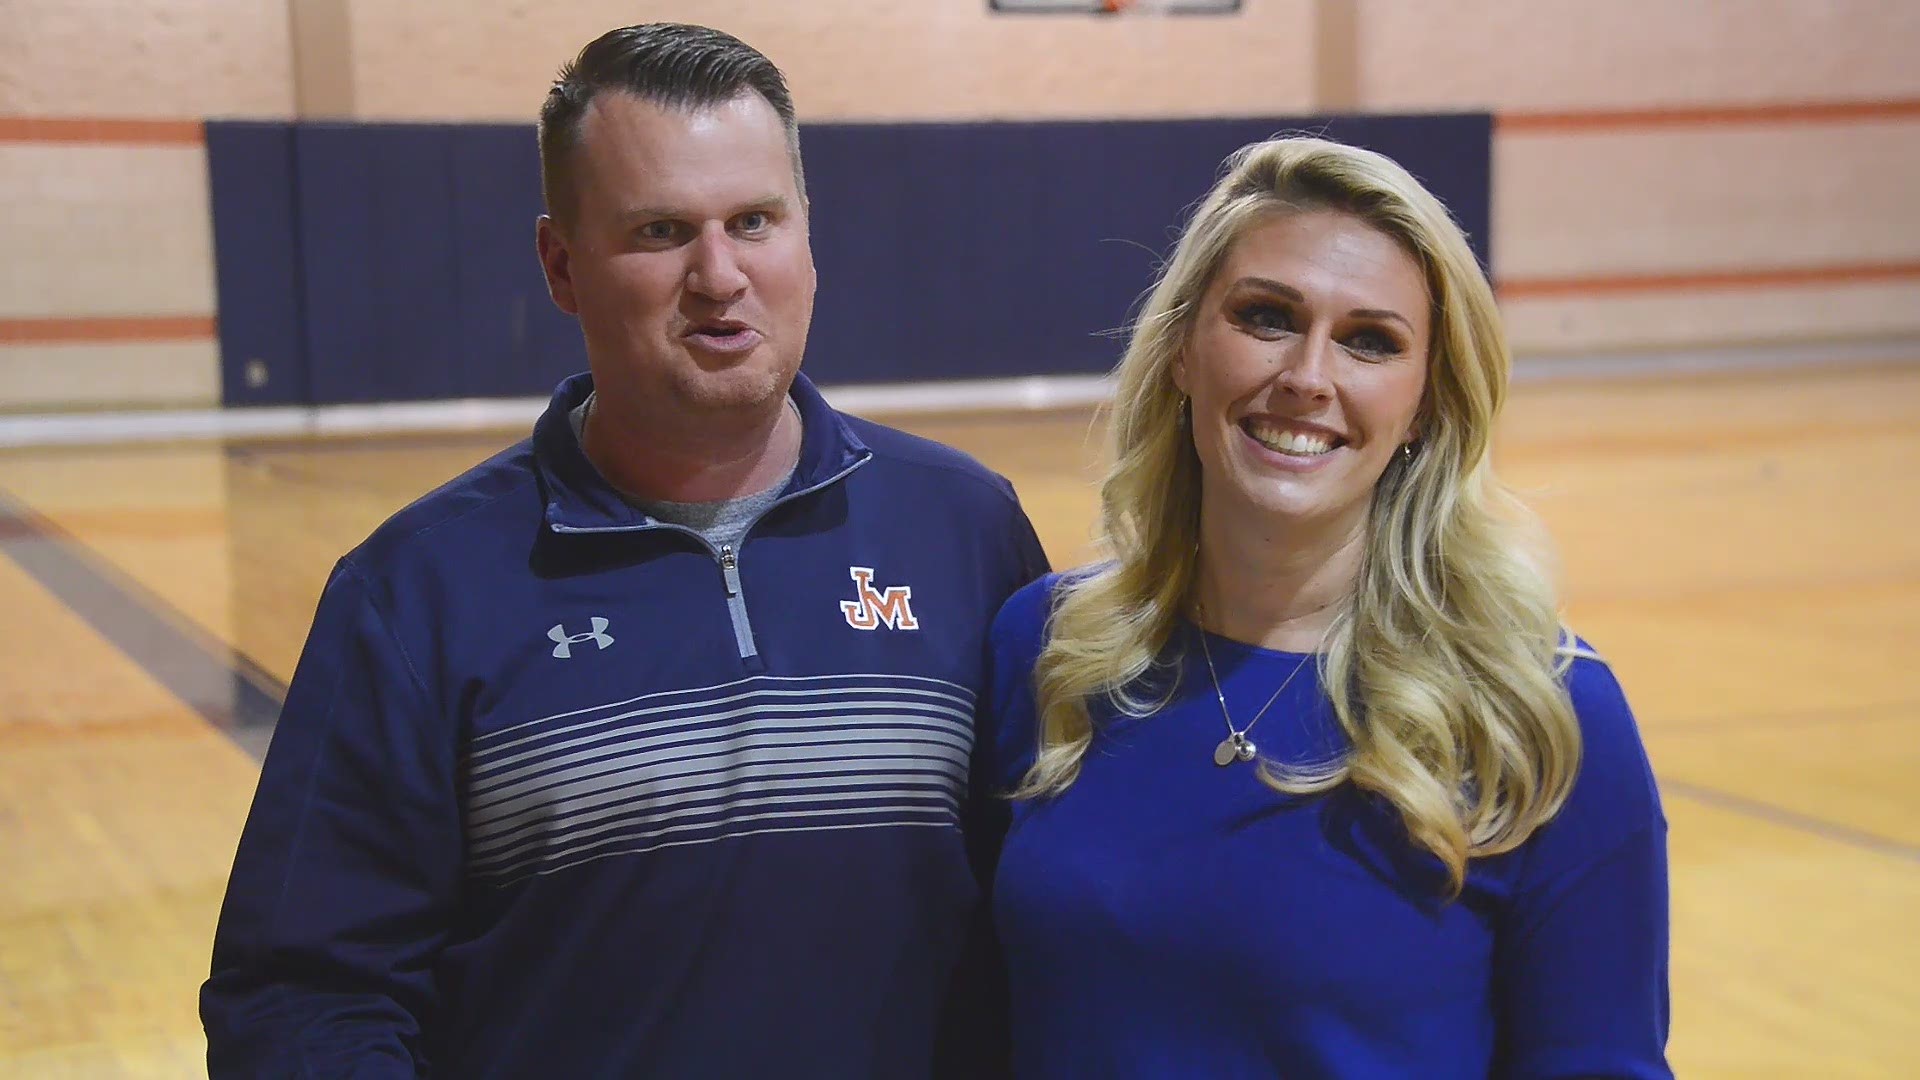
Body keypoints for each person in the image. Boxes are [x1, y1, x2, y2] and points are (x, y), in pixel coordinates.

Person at [202, 23, 1047, 1078]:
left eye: (755, 221)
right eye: (660, 231)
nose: (719, 274)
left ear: (807, 237)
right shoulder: (415, 592)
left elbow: (1057, 912)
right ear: (561, 265)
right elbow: (302, 996)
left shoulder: (965, 528)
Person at [983, 137, 1670, 1077]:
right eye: (1268, 317)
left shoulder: (1540, 711)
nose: (1310, 375)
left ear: (1426, 403)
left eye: (1371, 341)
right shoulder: (1047, 649)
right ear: (1185, 348)